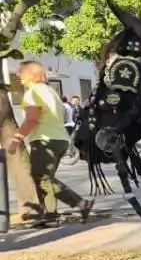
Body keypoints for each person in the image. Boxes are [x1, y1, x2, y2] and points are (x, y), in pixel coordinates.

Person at [7, 62, 91, 227]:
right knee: (45, 178)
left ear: (31, 75)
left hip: (45, 140)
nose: (18, 75)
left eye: (21, 72)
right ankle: (80, 205)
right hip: (59, 139)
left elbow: (32, 119)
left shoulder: (33, 93)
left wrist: (16, 139)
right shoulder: (50, 91)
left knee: (40, 177)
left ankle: (53, 215)